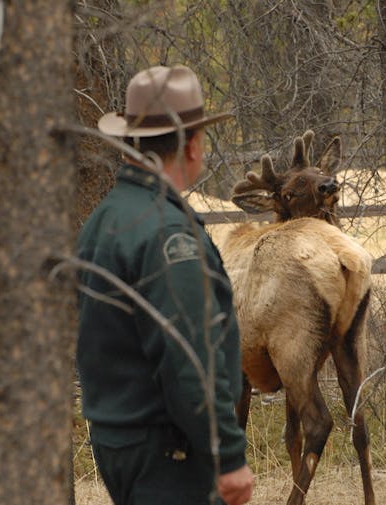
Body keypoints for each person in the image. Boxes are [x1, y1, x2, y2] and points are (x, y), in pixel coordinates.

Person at [76, 65, 254, 505]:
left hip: (123, 443)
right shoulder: (166, 233)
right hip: (169, 454)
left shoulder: (109, 216)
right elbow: (188, 356)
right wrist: (227, 454)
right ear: (192, 145)